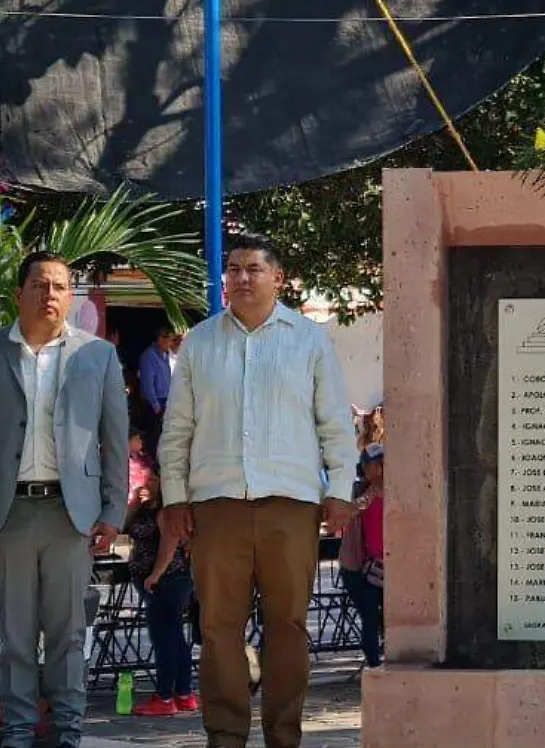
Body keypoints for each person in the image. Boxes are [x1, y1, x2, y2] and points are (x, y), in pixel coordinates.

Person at [158, 234, 355, 748]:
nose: (243, 278)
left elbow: (334, 423)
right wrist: (175, 497)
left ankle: (284, 733)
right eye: (235, 269)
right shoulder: (200, 341)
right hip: (216, 503)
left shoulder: (309, 340)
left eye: (254, 269)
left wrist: (340, 490)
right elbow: (177, 427)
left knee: (287, 625)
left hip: (291, 503)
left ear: (278, 279)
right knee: (218, 627)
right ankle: (225, 735)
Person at [0, 252, 130, 748]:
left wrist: (114, 511)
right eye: (39, 285)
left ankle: (68, 727)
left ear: (70, 296)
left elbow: (115, 440)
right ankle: (17, 729)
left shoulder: (98, 356)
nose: (50, 294)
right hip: (7, 514)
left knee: (69, 631)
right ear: (20, 293)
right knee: (14, 632)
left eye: (59, 286)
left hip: (70, 515)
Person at [126, 477, 195, 716]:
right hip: (157, 578)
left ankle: (165, 695)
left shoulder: (168, 512)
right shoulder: (147, 508)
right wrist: (134, 503)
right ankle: (184, 692)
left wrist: (155, 574)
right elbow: (124, 526)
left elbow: (169, 543)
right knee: (174, 636)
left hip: (168, 580)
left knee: (163, 638)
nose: (147, 482)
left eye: (152, 479)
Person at [338, 444, 385, 668]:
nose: (381, 470)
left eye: (384, 464)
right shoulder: (358, 491)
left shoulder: (398, 491)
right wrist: (370, 495)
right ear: (365, 468)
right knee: (370, 617)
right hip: (359, 568)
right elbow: (350, 510)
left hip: (388, 566)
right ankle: (374, 666)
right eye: (376, 465)